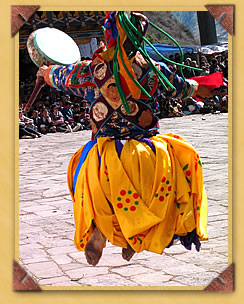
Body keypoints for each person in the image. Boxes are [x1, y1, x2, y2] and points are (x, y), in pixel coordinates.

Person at [36, 11, 213, 266]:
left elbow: (59, 76)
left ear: (109, 34)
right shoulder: (154, 70)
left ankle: (100, 229)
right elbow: (184, 87)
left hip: (105, 157)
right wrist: (206, 87)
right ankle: (135, 237)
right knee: (175, 172)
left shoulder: (90, 72)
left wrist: (45, 72)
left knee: (83, 174)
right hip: (150, 156)